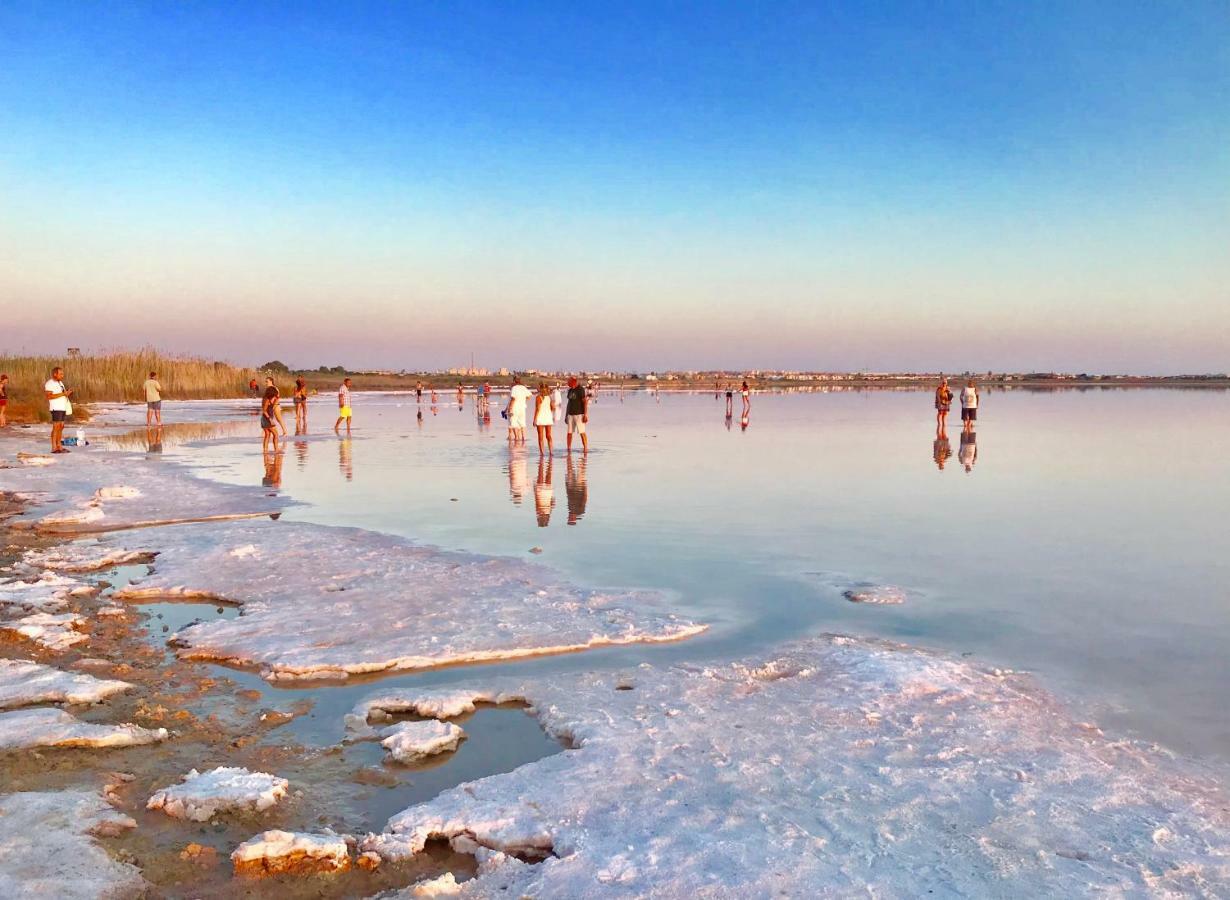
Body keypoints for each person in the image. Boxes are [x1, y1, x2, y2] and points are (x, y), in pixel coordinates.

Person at [44, 367, 73, 453]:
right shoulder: (49, 383)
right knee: (56, 427)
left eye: (62, 374)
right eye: (60, 374)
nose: (62, 376)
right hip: (56, 407)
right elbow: (49, 396)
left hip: (63, 407)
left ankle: (59, 445)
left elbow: (62, 394)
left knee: (61, 426)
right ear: (55, 374)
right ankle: (54, 447)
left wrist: (67, 393)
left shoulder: (60, 383)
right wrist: (63, 394)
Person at [565, 376, 589, 453]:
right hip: (570, 414)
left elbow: (585, 402)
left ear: (573, 382)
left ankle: (585, 448)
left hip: (579, 414)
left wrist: (585, 415)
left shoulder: (580, 389)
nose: (567, 383)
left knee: (582, 432)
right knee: (569, 433)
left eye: (569, 382)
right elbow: (569, 403)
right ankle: (568, 448)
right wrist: (566, 415)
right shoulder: (570, 390)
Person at [506, 376, 532, 444]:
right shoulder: (523, 387)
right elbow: (529, 396)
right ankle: (523, 437)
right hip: (522, 408)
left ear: (514, 381)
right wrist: (524, 401)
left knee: (513, 423)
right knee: (522, 423)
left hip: (515, 408)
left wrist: (510, 408)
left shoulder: (514, 388)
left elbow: (513, 399)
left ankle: (517, 438)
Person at [565, 453, 588, 525]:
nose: (568, 516)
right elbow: (584, 499)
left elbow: (568, 497)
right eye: (569, 518)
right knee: (580, 469)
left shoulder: (570, 509)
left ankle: (570, 457)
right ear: (573, 519)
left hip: (572, 487)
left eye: (568, 518)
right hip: (579, 487)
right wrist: (585, 487)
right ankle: (583, 456)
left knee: (571, 469)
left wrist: (567, 484)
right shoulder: (581, 511)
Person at [533, 381, 555, 455]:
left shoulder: (538, 397)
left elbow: (538, 409)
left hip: (540, 418)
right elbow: (553, 408)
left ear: (540, 389)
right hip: (548, 417)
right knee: (548, 435)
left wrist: (534, 419)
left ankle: (542, 453)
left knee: (540, 437)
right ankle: (551, 451)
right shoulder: (549, 397)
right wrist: (548, 412)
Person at [260, 377, 280, 453]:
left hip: (264, 418)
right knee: (276, 434)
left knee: (267, 435)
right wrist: (270, 419)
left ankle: (265, 451)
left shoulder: (267, 398)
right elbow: (264, 410)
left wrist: (275, 400)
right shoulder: (267, 399)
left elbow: (274, 404)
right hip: (266, 418)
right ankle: (276, 450)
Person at [534, 456, 555, 526]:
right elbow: (536, 501)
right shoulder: (538, 511)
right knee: (540, 470)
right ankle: (542, 459)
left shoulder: (549, 511)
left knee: (549, 471)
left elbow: (553, 503)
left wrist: (552, 497)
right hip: (540, 492)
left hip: (548, 492)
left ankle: (550, 460)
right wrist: (534, 490)